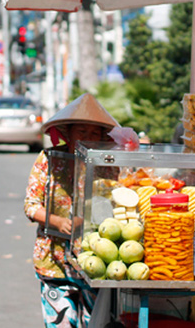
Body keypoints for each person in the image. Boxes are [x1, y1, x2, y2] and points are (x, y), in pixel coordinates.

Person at [24, 93, 120, 328]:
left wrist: (87, 219)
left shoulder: (107, 164)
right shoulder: (47, 159)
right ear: (67, 133)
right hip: (53, 261)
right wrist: (57, 221)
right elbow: (31, 205)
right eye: (82, 132)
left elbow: (113, 203)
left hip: (95, 261)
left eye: (94, 133)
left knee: (95, 323)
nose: (89, 138)